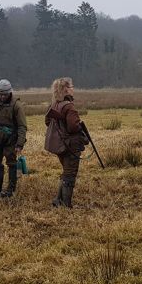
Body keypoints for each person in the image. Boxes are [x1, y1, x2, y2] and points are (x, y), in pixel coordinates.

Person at [45, 77, 87, 208]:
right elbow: (73, 127)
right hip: (70, 146)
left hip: (60, 145)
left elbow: (47, 122)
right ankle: (66, 205)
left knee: (66, 172)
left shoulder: (54, 104)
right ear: (66, 90)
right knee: (70, 174)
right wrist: (80, 128)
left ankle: (58, 200)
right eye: (71, 87)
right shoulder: (69, 107)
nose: (73, 89)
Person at [0, 79, 27, 198]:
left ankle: (10, 190)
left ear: (10, 92)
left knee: (12, 163)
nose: (2, 96)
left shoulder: (17, 105)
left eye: (5, 94)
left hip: (11, 140)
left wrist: (19, 144)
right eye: (0, 93)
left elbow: (22, 126)